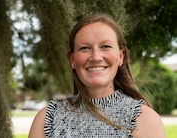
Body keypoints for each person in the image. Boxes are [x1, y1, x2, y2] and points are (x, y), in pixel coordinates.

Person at [29, 13, 167, 138]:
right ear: (72, 60)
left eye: (106, 46)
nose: (95, 57)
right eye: (84, 48)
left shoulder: (144, 119)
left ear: (120, 56)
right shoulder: (48, 118)